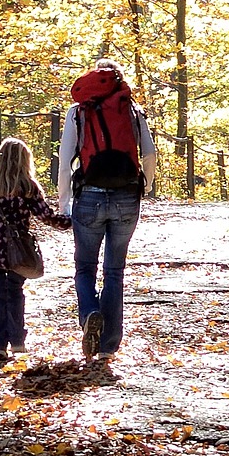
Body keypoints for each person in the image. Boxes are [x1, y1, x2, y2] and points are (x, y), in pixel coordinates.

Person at [57, 59, 157, 361]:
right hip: (127, 196)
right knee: (114, 271)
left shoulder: (78, 111)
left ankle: (89, 314)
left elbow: (65, 162)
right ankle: (108, 345)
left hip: (89, 196)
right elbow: (149, 154)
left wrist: (64, 203)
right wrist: (146, 185)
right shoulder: (131, 109)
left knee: (85, 267)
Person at [0, 136, 70, 364]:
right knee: (15, 293)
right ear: (25, 161)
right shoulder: (28, 187)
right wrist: (71, 222)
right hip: (18, 251)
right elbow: (46, 216)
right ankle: (17, 341)